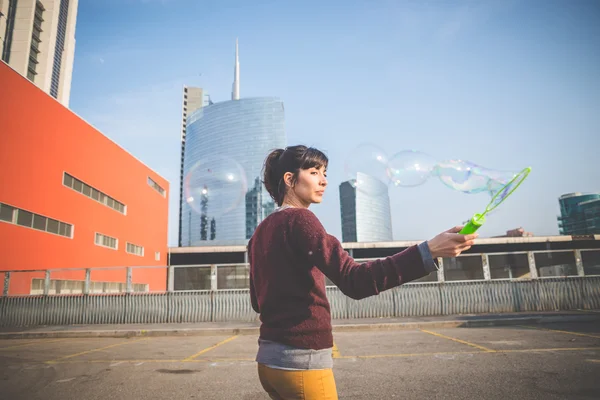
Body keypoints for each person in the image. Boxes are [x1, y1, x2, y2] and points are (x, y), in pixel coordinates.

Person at [248, 145, 478, 400]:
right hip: (302, 362)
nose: (323, 180)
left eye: (325, 172)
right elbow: (355, 281)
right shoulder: (301, 220)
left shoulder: (259, 233)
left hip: (268, 363)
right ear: (290, 179)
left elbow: (258, 302)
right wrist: (428, 251)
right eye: (314, 172)